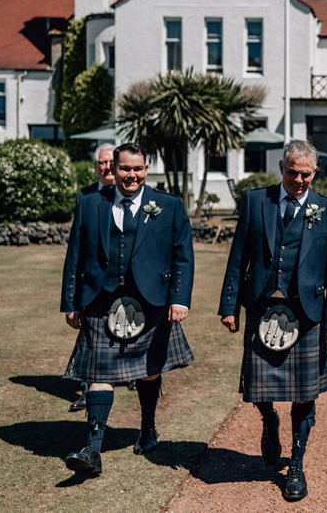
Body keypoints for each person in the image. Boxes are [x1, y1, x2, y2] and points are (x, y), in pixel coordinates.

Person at [219, 139, 327, 501]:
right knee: (258, 388)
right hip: (261, 308)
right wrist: (229, 306)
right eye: (293, 172)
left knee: (305, 395)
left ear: (315, 172)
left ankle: (297, 465)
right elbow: (237, 257)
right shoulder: (257, 202)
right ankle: (269, 419)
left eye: (306, 174)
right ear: (281, 167)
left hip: (306, 315)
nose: (300, 180)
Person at [61, 143, 194, 475]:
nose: (130, 175)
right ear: (113, 169)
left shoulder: (168, 205)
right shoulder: (90, 203)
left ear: (146, 169)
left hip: (150, 303)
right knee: (97, 374)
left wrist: (179, 298)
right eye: (124, 168)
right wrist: (72, 302)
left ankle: (147, 425)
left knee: (149, 370)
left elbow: (183, 256)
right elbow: (74, 255)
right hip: (100, 302)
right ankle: (93, 447)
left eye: (137, 169)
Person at [67, 143, 118, 412]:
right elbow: (78, 245)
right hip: (94, 282)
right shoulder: (84, 196)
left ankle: (128, 375)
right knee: (91, 340)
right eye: (101, 162)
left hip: (125, 283)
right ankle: (88, 389)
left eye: (110, 161)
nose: (106, 167)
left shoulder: (133, 193)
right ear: (95, 166)